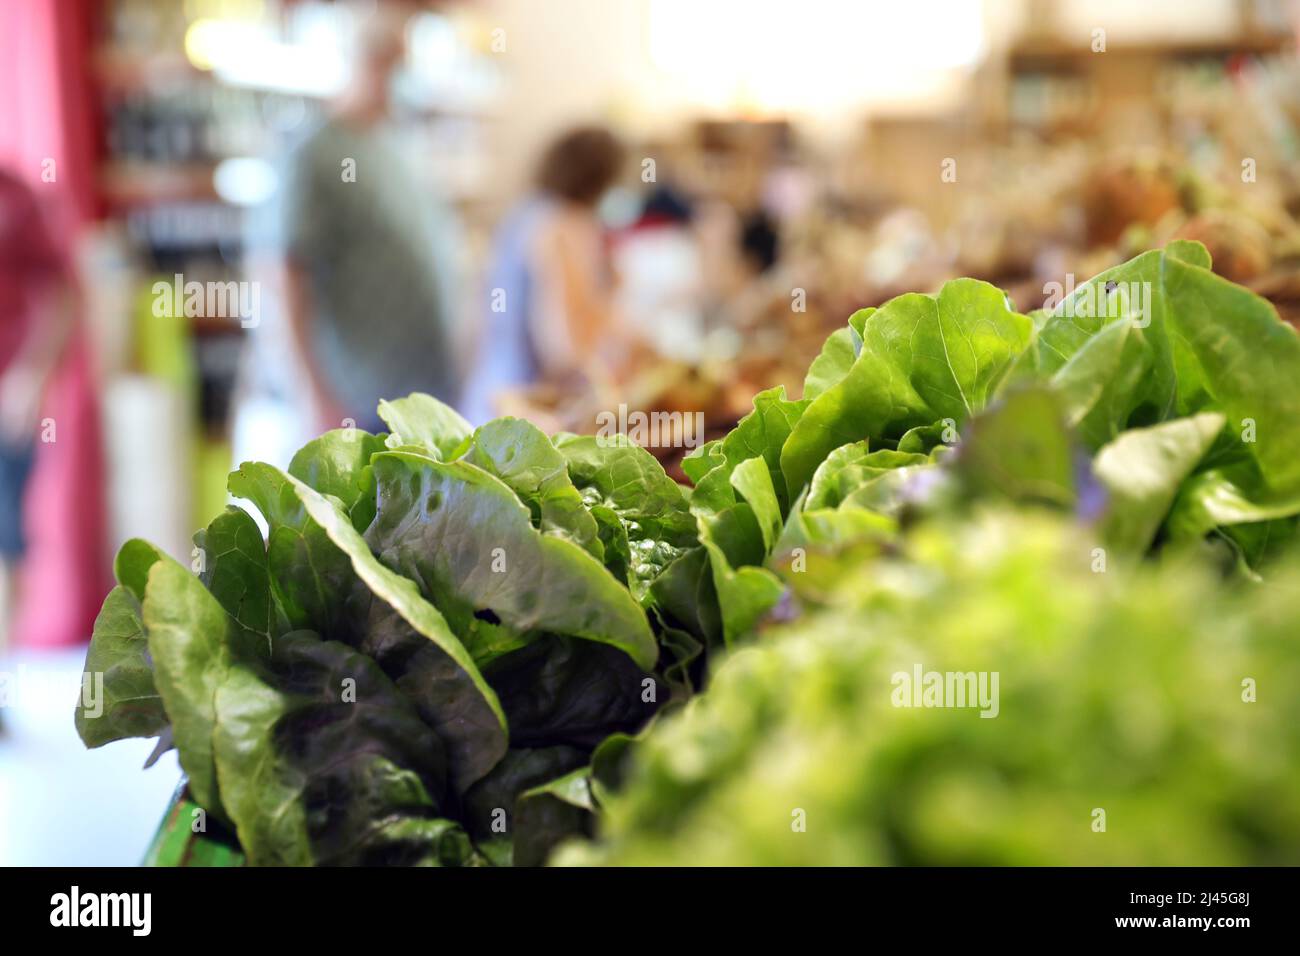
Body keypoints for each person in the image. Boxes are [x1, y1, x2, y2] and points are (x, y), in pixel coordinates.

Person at [252, 3, 461, 435]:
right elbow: (280, 276)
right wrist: (312, 394)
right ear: (365, 62)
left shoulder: (395, 144)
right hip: (359, 404)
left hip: (422, 398)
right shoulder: (314, 154)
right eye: (392, 63)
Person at [461, 126, 628, 424]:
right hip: (526, 412)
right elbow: (563, 350)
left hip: (489, 396)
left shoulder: (526, 211)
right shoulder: (563, 226)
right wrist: (610, 294)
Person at [0, 169, 74, 645]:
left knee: (7, 543)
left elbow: (65, 291)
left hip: (7, 397)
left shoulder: (13, 194)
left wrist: (32, 374)